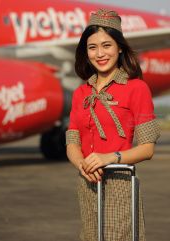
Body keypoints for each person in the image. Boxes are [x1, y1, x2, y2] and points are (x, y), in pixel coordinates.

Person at [65, 8, 160, 241]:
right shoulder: (80, 93)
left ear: (120, 47)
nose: (100, 53)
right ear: (85, 52)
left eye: (107, 45)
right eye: (92, 47)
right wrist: (82, 165)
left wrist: (109, 158)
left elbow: (147, 149)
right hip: (87, 182)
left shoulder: (136, 88)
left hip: (120, 182)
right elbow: (72, 142)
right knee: (89, 236)